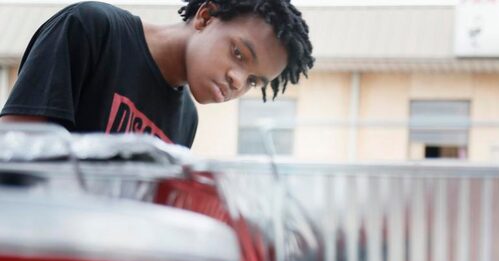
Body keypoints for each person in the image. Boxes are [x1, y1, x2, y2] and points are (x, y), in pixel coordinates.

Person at [0, 0, 313, 147]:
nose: (238, 81)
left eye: (254, 81)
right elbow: (16, 150)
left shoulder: (186, 118)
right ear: (206, 16)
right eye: (239, 54)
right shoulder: (92, 29)